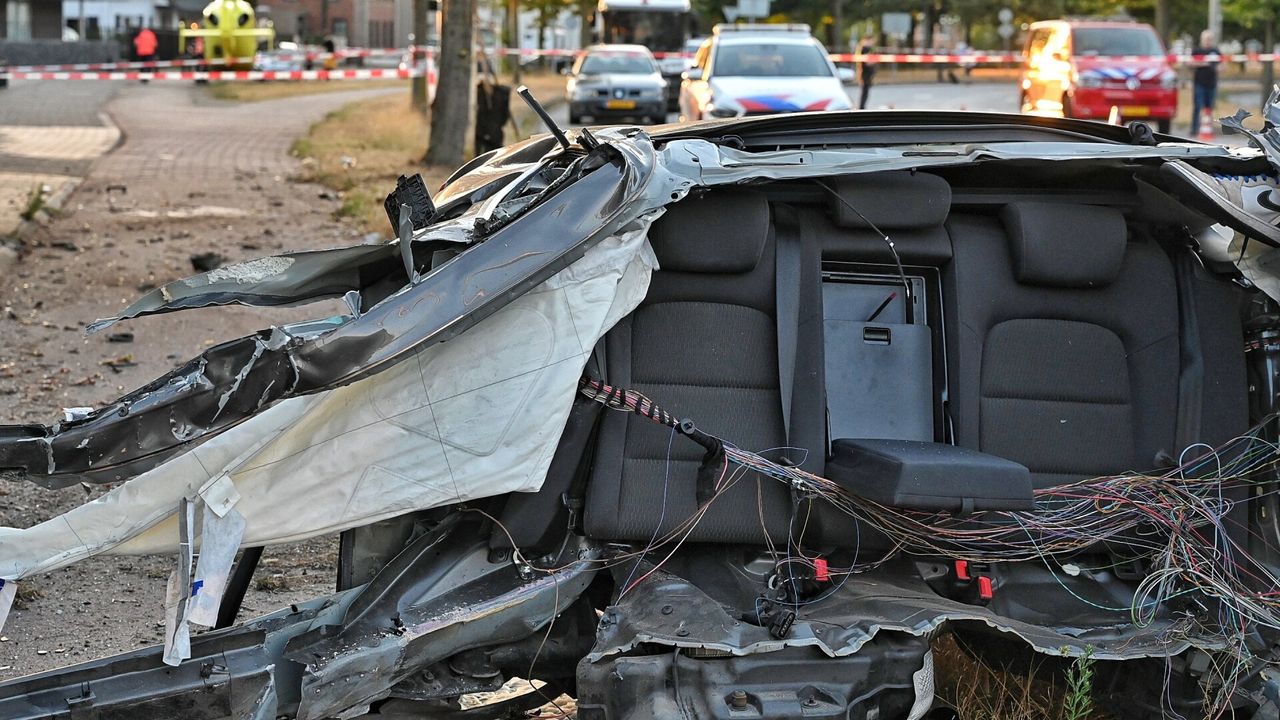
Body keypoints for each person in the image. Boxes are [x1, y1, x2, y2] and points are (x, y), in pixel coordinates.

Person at [1191, 29, 1221, 137]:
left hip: (1211, 83)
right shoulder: (1197, 50)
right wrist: (1203, 63)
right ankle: (1194, 129)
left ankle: (1207, 129)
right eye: (1206, 39)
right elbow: (1190, 63)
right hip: (1199, 83)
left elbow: (1221, 65)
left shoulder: (1215, 51)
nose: (1208, 41)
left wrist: (1219, 68)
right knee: (1198, 106)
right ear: (1202, 39)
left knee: (1209, 107)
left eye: (1210, 39)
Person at [856, 32, 877, 110]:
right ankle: (861, 108)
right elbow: (867, 62)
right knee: (865, 92)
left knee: (865, 92)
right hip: (865, 73)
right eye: (872, 40)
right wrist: (874, 60)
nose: (872, 42)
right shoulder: (864, 48)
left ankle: (862, 107)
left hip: (866, 73)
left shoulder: (865, 48)